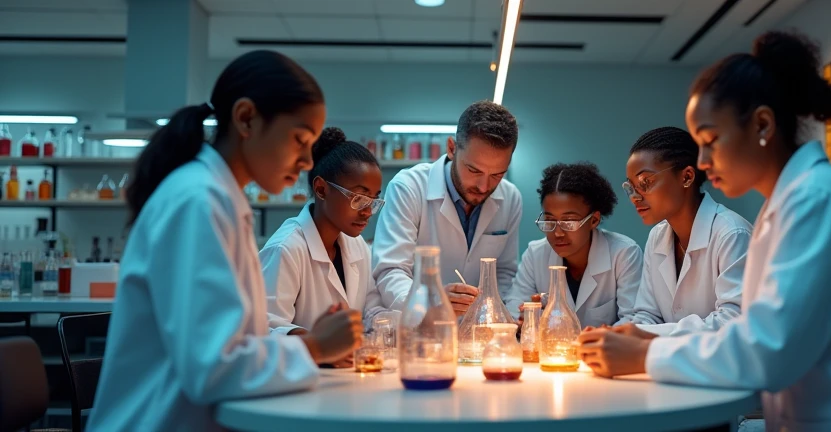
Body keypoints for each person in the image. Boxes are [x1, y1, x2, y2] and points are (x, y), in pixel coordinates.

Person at [578, 31, 831, 431]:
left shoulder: (818, 202)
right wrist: (646, 341)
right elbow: (757, 334)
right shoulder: (789, 204)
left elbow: (770, 351)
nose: (702, 162)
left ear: (762, 124)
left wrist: (644, 355)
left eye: (710, 140)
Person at [88, 51, 363, 431]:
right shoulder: (198, 201)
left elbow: (228, 349)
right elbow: (212, 368)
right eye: (300, 140)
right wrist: (315, 346)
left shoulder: (219, 198)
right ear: (247, 118)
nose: (306, 160)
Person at [372, 101, 522, 316]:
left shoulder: (510, 198)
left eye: (497, 174)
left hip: (478, 333)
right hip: (420, 327)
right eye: (474, 170)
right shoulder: (408, 187)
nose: (484, 186)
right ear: (452, 148)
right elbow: (390, 270)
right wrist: (430, 303)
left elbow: (504, 272)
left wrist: (504, 317)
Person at [260, 126, 389, 368]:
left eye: (374, 200)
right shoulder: (285, 249)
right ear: (321, 189)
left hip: (340, 381)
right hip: (297, 382)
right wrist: (321, 346)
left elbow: (371, 307)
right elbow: (265, 329)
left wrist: (398, 320)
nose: (368, 211)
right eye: (359, 198)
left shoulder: (356, 245)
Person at [620, 127, 751, 336]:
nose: (635, 196)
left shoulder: (732, 234)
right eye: (631, 187)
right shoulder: (657, 237)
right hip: (670, 363)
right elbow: (648, 315)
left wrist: (646, 335)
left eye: (645, 182)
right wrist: (615, 334)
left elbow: (732, 320)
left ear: (687, 177)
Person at [504, 162, 642, 328]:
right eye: (549, 221)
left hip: (604, 352)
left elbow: (633, 320)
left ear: (594, 220)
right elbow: (514, 310)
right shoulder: (536, 254)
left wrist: (592, 339)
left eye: (569, 221)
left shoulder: (624, 254)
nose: (558, 233)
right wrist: (522, 320)